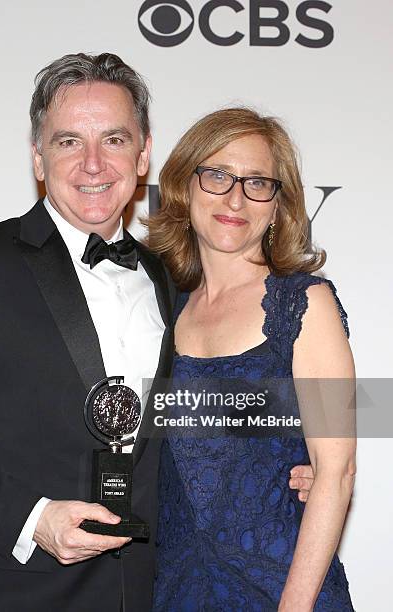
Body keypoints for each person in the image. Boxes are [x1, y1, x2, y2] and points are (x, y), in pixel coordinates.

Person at [0, 55, 313, 611]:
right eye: (68, 141)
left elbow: (219, 401)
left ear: (142, 157)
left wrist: (299, 451)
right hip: (13, 593)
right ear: (38, 158)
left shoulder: (176, 280)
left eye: (114, 139)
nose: (93, 163)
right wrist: (31, 518)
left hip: (153, 591)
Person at [148, 108, 356, 611]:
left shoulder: (304, 303)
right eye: (217, 174)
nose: (235, 198)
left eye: (258, 182)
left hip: (282, 586)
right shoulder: (159, 305)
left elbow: (337, 470)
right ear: (185, 186)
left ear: (278, 206)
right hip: (174, 586)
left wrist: (295, 606)